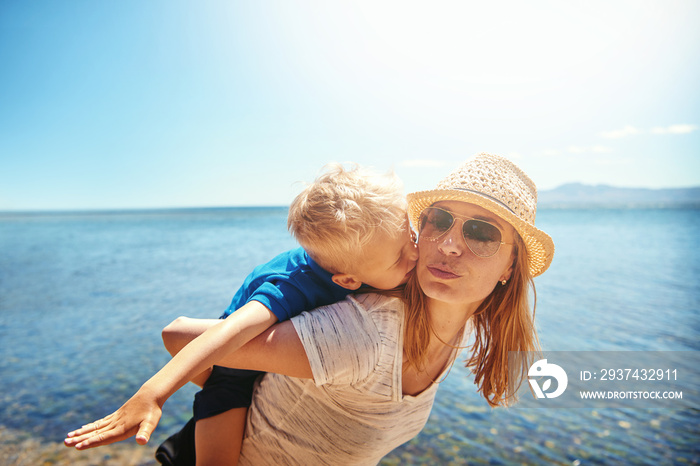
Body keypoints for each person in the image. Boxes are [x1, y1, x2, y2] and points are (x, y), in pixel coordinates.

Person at [65, 153, 554, 465]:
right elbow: (179, 334)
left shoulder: (448, 322)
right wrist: (156, 392)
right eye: (441, 220)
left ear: (512, 263)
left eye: (482, 232)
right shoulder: (358, 328)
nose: (447, 245)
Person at [65, 162, 418, 466]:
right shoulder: (292, 283)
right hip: (233, 382)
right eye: (400, 257)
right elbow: (228, 332)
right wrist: (154, 394)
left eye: (413, 236)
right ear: (347, 280)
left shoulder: (367, 256)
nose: (415, 255)